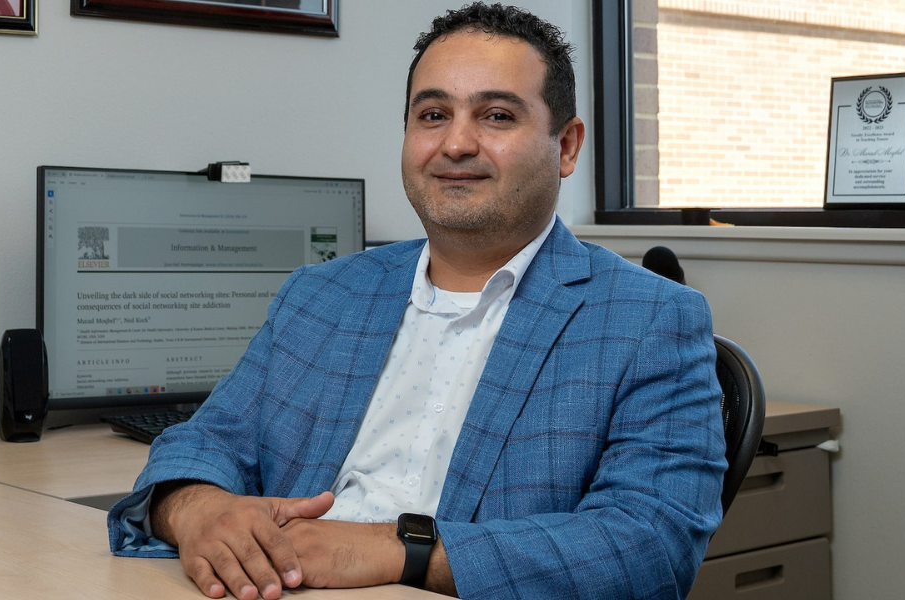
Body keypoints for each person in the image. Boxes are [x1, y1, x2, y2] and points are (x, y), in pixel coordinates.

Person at [106, 3, 727, 599]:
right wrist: (200, 510)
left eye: (497, 116)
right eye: (432, 114)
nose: (456, 144)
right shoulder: (320, 295)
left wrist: (392, 550)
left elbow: (646, 546)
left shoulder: (650, 319)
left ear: (566, 146)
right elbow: (203, 444)